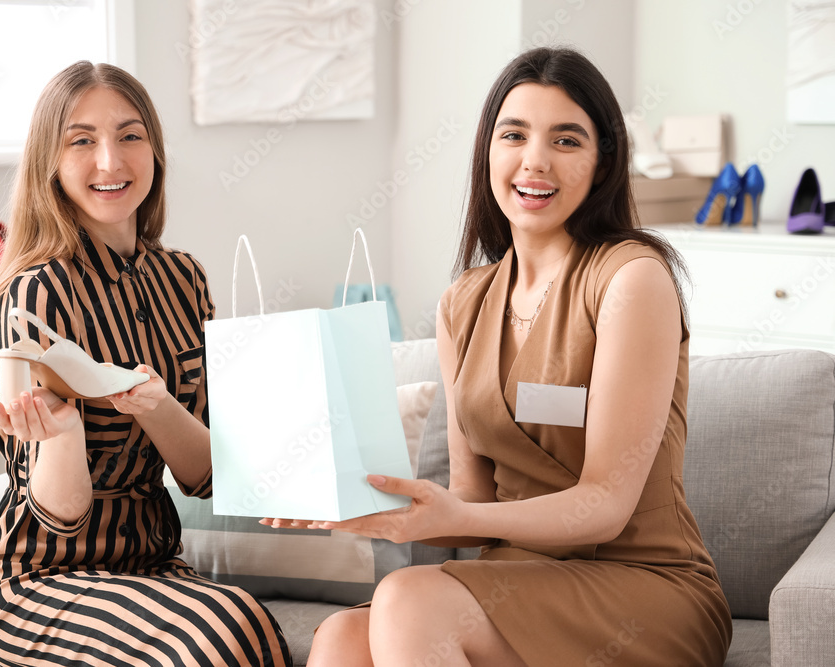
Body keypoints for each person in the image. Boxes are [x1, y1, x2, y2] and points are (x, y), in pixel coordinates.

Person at [266, 47, 732, 666]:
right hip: (518, 576)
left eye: (566, 140)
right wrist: (369, 508)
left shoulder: (631, 280)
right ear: (489, 149)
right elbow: (473, 504)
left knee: (407, 599)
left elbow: (605, 507)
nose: (534, 160)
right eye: (514, 134)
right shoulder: (463, 303)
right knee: (340, 637)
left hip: (641, 583)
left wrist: (452, 514)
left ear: (602, 162)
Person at [0, 61, 292, 667]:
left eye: (129, 135)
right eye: (81, 140)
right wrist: (62, 434)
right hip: (41, 576)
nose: (111, 162)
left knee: (250, 627)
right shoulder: (36, 296)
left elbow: (205, 477)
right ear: (50, 163)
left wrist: (160, 406)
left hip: (151, 564)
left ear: (155, 152)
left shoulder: (184, 280)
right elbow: (58, 518)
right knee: (226, 629)